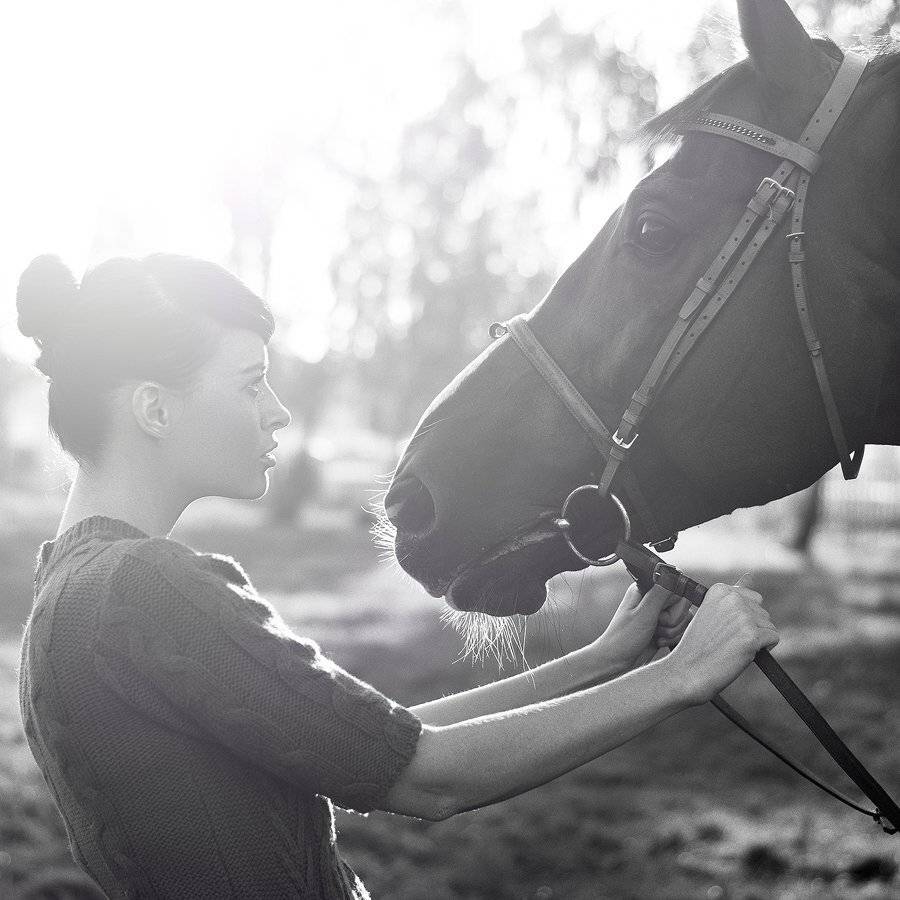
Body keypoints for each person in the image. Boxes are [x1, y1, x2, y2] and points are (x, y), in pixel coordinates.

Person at [17, 253, 779, 900]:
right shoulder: (145, 588)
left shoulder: (70, 594)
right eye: (251, 383)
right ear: (153, 408)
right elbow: (427, 778)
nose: (279, 413)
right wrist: (680, 678)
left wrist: (603, 661)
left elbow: (377, 742)